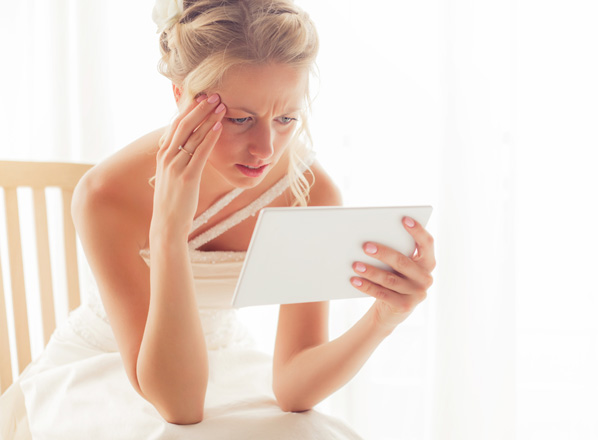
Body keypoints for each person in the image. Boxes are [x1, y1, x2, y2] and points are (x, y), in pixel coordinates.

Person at [0, 0, 435, 438]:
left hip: (229, 363)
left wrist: (383, 319)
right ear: (180, 95)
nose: (266, 149)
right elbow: (179, 406)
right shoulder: (105, 195)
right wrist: (168, 231)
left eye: (286, 118)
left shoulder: (308, 192)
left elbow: (294, 390)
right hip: (106, 370)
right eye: (241, 119)